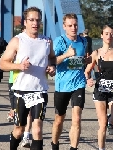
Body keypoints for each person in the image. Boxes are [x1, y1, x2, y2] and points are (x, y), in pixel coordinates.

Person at [0, 6, 56, 150]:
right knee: (19, 129)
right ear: (25, 22)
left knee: (37, 129)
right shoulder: (17, 40)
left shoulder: (47, 41)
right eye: (31, 20)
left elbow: (52, 58)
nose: (35, 23)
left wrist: (52, 67)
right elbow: (2, 63)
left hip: (40, 90)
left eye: (37, 20)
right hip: (20, 91)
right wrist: (19, 66)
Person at [51, 13, 87, 150]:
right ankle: (55, 144)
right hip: (62, 86)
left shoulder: (83, 41)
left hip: (79, 84)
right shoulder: (60, 41)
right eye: (70, 25)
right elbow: (51, 61)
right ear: (64, 26)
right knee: (59, 119)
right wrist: (66, 54)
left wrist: (86, 61)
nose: (73, 28)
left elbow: (81, 60)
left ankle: (73, 148)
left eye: (75, 25)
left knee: (77, 118)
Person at [85, 24, 113, 149]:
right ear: (102, 35)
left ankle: (111, 120)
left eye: (111, 33)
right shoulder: (96, 53)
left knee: (111, 119)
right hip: (100, 91)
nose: (109, 36)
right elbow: (87, 71)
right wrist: (89, 79)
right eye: (106, 33)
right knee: (102, 125)